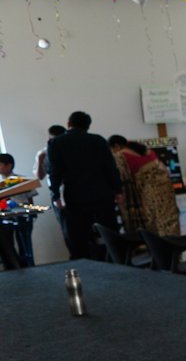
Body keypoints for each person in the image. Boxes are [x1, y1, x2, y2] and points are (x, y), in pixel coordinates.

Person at [47, 111, 121, 260]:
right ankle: (114, 261)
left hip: (75, 196)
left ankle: (86, 265)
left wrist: (55, 195)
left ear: (69, 123)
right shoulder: (99, 140)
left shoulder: (56, 143)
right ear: (88, 126)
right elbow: (110, 168)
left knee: (78, 237)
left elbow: (55, 172)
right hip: (102, 194)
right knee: (108, 233)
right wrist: (118, 190)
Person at [0, 154, 41, 267]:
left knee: (24, 244)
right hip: (5, 217)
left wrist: (31, 212)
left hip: (22, 214)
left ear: (9, 165)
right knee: (7, 243)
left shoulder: (22, 180)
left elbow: (30, 198)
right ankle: (13, 266)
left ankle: (28, 266)